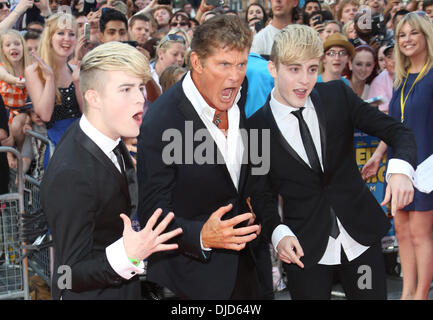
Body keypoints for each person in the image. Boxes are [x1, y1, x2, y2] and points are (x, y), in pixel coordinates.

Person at [247, 24, 416, 300]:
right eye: (294, 69)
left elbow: (397, 130)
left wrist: (400, 170)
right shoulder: (255, 130)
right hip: (303, 249)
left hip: (360, 239)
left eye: (312, 69)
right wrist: (277, 232)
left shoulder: (337, 96)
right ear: (273, 69)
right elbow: (261, 194)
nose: (304, 81)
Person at [40, 41, 182, 300]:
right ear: (93, 98)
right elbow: (68, 274)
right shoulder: (71, 173)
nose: (140, 97)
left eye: (140, 87)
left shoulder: (110, 139)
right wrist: (129, 255)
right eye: (126, 89)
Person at [137, 15, 261, 300]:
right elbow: (151, 213)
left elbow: (245, 174)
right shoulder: (162, 120)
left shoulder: (238, 95)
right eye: (224, 64)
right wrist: (201, 236)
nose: (235, 75)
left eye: (241, 64)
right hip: (190, 281)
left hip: (246, 270)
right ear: (197, 62)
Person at [362, 12, 433, 300]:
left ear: (426, 36)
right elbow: (396, 124)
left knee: (420, 234)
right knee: (402, 233)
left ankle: (421, 294)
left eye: (413, 33)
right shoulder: (400, 79)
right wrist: (379, 154)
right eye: (402, 35)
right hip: (398, 164)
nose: (406, 40)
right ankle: (406, 294)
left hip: (426, 165)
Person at [25, 13, 83, 169]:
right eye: (61, 33)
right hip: (58, 149)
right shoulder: (33, 71)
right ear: (49, 37)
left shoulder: (75, 69)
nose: (67, 38)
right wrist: (50, 78)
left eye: (72, 34)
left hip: (83, 144)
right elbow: (45, 114)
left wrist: (77, 83)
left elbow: (87, 114)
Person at [368, 41, 395, 113]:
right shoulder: (378, 81)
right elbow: (383, 112)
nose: (394, 61)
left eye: (397, 56)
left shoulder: (412, 76)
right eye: (389, 57)